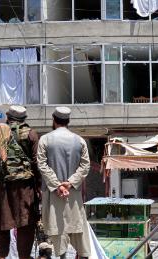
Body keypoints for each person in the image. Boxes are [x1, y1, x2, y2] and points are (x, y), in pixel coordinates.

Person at [0, 105, 40, 259]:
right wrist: (39, 186)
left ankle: (1, 257)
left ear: (8, 118)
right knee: (25, 225)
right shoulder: (31, 134)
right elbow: (36, 163)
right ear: (24, 119)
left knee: (3, 226)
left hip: (0, 187)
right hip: (24, 188)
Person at [37, 107, 91, 259]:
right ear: (68, 121)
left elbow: (42, 165)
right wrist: (70, 183)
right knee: (80, 237)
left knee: (59, 241)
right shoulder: (80, 140)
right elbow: (85, 166)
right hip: (74, 196)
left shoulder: (45, 139)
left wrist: (57, 185)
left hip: (54, 197)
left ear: (53, 120)